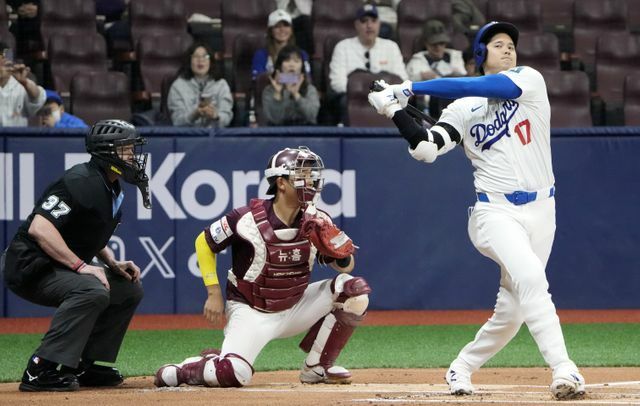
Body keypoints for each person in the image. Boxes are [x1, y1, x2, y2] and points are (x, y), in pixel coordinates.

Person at [367, 21, 586, 400]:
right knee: (532, 277)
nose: (508, 49)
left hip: (543, 209)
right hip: (494, 214)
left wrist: (411, 88)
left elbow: (477, 85)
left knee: (513, 312)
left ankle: (462, 366)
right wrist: (394, 111)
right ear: (480, 54)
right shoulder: (464, 109)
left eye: (510, 45)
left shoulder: (528, 81)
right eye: (497, 45)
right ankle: (565, 369)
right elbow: (427, 148)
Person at [154, 146, 371, 388]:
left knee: (354, 291)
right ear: (281, 183)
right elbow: (203, 243)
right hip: (251, 311)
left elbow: (346, 267)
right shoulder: (245, 219)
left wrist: (337, 253)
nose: (311, 181)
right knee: (232, 374)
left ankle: (317, 367)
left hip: (296, 305)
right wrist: (213, 292)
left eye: (312, 175)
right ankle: (186, 369)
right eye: (303, 175)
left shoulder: (318, 220)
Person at [0, 119, 150, 392]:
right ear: (108, 152)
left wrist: (111, 263)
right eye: (127, 149)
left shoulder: (111, 186)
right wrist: (82, 266)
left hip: (55, 265)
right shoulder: (80, 180)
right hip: (29, 267)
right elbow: (40, 228)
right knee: (91, 289)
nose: (133, 156)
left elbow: (87, 234)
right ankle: (40, 368)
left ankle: (83, 366)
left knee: (127, 289)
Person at [328, 3, 407, 125]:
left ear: (379, 24)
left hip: (387, 100)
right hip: (355, 100)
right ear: (356, 25)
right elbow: (337, 83)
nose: (369, 25)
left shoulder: (391, 47)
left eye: (373, 21)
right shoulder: (343, 47)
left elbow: (401, 80)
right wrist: (364, 94)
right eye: (364, 21)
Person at [406, 19, 467, 118]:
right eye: (434, 44)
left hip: (458, 104)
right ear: (426, 43)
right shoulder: (417, 60)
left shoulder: (455, 56)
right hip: (430, 110)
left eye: (441, 43)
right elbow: (409, 84)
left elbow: (464, 79)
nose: (438, 47)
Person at [168, 42, 233, 128]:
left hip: (214, 137)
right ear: (189, 61)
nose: (201, 60)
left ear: (211, 61)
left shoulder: (221, 85)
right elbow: (177, 121)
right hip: (186, 137)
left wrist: (215, 116)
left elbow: (227, 117)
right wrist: (194, 115)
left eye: (205, 56)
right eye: (196, 56)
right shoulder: (178, 86)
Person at [262, 45, 320, 125]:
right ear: (280, 65)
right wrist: (278, 93)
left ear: (301, 67)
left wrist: (296, 95)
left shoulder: (310, 89)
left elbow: (311, 116)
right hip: (278, 134)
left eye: (296, 61)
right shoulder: (269, 90)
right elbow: (274, 119)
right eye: (287, 61)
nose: (291, 65)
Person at [251, 9, 311, 80]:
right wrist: (293, 78)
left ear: (291, 30)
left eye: (286, 25)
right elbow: (257, 79)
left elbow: (307, 79)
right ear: (270, 31)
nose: (282, 29)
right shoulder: (261, 55)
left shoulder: (302, 54)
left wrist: (278, 78)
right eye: (277, 26)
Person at [0, 41, 46, 127]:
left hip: (16, 138)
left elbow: (37, 98)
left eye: (5, 62)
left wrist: (25, 82)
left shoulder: (22, 84)